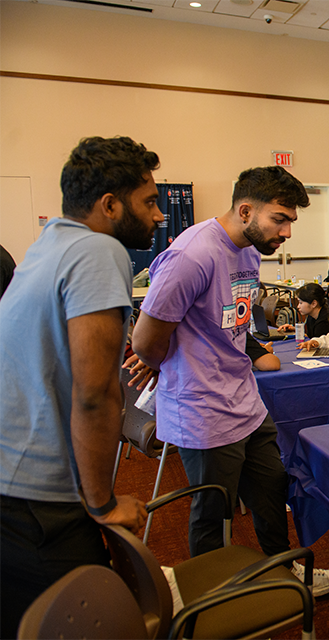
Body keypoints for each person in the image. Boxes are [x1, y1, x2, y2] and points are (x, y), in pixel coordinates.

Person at [131, 165, 329, 595]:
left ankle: (285, 572)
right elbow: (146, 341)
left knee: (270, 491)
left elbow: (234, 325)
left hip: (245, 402)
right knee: (212, 512)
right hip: (203, 410)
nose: (286, 232)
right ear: (245, 209)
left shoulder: (249, 250)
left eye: (291, 222)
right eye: (279, 219)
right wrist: (163, 362)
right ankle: (210, 598)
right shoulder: (192, 256)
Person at [0, 136, 158, 635]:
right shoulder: (98, 249)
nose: (158, 216)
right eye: (149, 201)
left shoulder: (49, 242)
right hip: (39, 502)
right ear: (110, 205)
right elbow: (94, 393)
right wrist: (104, 504)